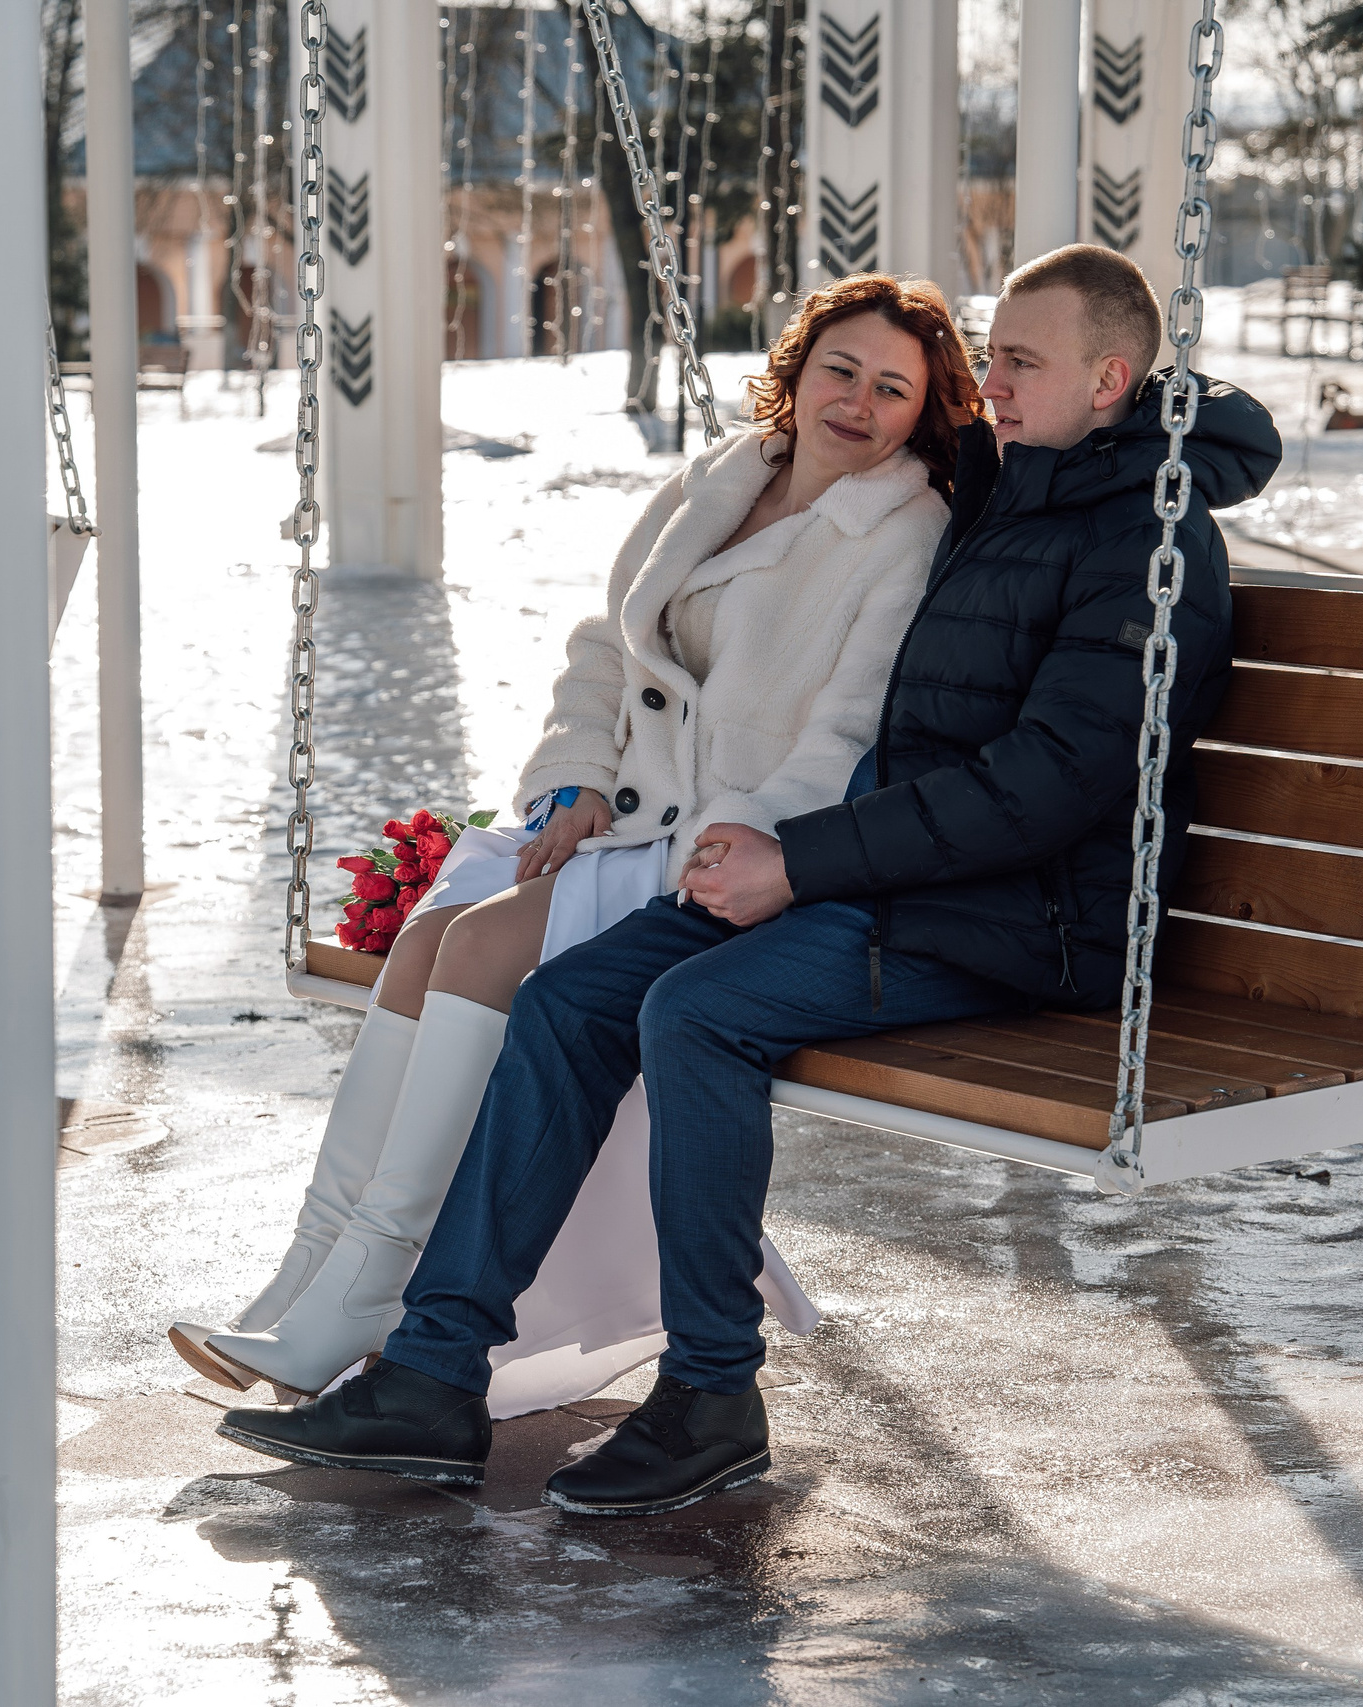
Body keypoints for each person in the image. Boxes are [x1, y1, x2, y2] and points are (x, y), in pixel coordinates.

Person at [217, 244, 1283, 1514]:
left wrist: (802, 858)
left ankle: (712, 1390)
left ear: (1111, 379)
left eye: (1018, 363)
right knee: (570, 1004)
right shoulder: (1017, 480)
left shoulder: (1149, 546)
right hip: (898, 878)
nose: (985, 386)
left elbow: (1053, 782)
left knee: (695, 1012)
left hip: (1025, 916)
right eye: (989, 355)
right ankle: (434, 1374)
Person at [169, 274, 986, 1403]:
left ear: (920, 414)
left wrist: (745, 840)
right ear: (795, 372)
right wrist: (571, 779)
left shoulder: (902, 531)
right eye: (839, 369)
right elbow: (606, 646)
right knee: (426, 936)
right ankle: (311, 1271)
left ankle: (372, 1285)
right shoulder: (718, 478)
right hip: (618, 817)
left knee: (478, 946)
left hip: (715, 841)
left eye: (892, 389)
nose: (857, 401)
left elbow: (849, 727)